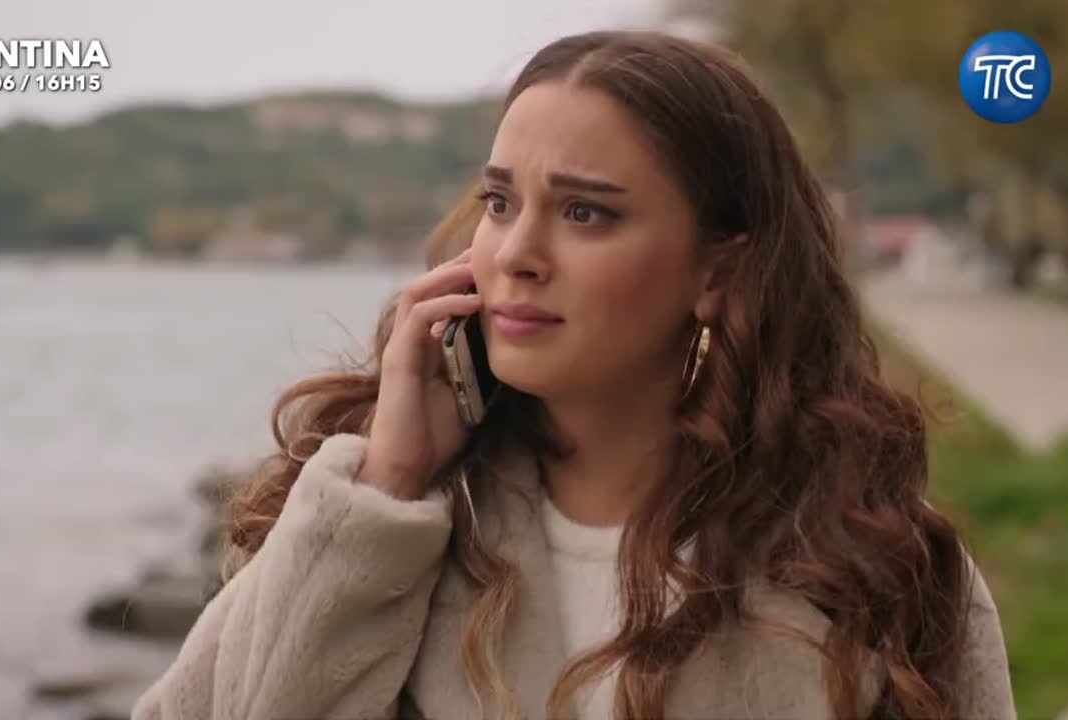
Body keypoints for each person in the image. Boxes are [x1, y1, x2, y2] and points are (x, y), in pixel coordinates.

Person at [132, 30, 1015, 720]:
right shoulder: (372, 517)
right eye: (500, 202)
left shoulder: (878, 568)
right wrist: (389, 484)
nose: (516, 253)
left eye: (586, 212)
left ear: (717, 272)